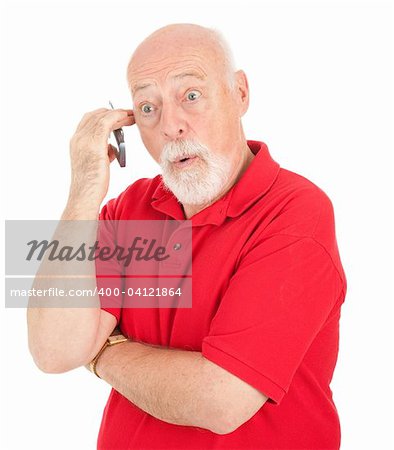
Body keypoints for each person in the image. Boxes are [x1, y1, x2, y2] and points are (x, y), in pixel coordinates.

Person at [27, 23, 347, 450]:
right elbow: (53, 350)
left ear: (240, 94)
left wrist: (103, 352)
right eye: (147, 107)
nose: (171, 127)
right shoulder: (132, 208)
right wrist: (84, 190)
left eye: (190, 96)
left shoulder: (295, 212)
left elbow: (220, 399)